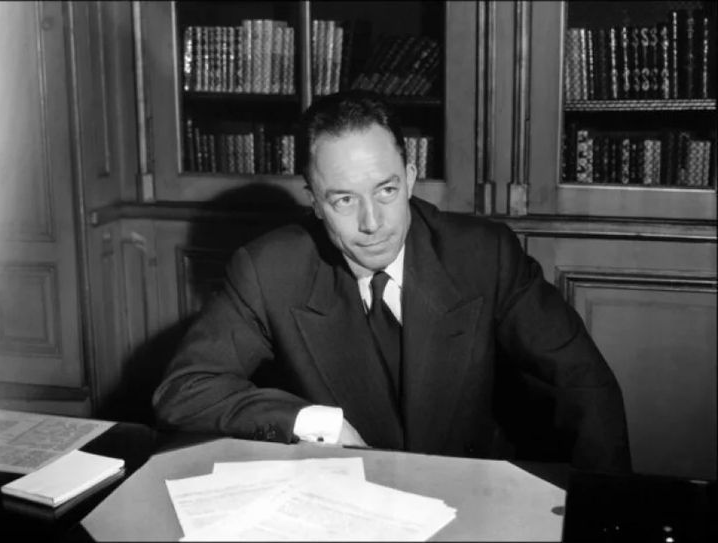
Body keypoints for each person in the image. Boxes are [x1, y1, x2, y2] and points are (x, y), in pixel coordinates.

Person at [152, 90, 631, 473]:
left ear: (411, 176)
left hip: (471, 492)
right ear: (314, 203)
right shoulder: (269, 269)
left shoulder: (484, 255)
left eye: (386, 190)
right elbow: (185, 389)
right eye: (343, 200)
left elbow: (584, 384)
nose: (372, 222)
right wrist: (309, 421)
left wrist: (606, 516)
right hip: (344, 501)